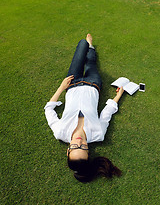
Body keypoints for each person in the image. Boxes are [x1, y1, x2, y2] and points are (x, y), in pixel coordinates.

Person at [44, 34, 124, 182]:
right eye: (83, 148)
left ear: (68, 151)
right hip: (93, 84)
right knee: (91, 62)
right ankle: (91, 46)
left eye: (75, 147)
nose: (79, 142)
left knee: (81, 45)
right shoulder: (98, 134)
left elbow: (48, 110)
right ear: (88, 152)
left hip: (72, 84)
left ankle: (86, 45)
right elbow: (107, 113)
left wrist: (61, 87)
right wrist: (119, 95)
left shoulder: (60, 132)